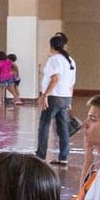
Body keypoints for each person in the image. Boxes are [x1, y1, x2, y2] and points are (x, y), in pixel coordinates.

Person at [34, 32, 77, 164]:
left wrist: (45, 95)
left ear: (51, 46)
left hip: (54, 96)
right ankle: (63, 157)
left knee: (44, 125)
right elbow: (71, 83)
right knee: (63, 127)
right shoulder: (70, 60)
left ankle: (40, 155)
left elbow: (55, 78)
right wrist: (70, 100)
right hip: (65, 97)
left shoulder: (54, 59)